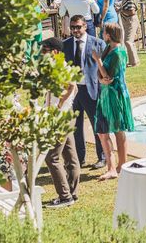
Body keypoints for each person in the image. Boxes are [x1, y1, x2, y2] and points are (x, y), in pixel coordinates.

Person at [91, 23, 135, 180]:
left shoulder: (118, 52)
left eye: (104, 32)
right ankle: (113, 166)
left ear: (109, 35)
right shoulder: (108, 48)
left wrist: (97, 60)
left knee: (118, 129)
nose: (102, 34)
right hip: (105, 93)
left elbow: (109, 77)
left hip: (115, 94)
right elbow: (101, 76)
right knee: (102, 130)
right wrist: (100, 79)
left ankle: (122, 165)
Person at [63, 15, 107, 168]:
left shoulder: (97, 43)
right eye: (73, 27)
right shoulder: (65, 45)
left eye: (78, 27)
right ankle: (79, 158)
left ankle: (102, 157)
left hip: (91, 89)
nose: (75, 30)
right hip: (73, 90)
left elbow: (105, 67)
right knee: (75, 126)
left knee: (97, 124)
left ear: (85, 26)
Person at [41, 37, 80, 208]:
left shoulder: (59, 66)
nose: (42, 55)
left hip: (61, 118)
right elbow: (75, 88)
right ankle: (72, 192)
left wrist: (60, 104)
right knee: (70, 156)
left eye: (44, 51)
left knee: (52, 157)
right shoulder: (61, 66)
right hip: (67, 116)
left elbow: (72, 86)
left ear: (54, 52)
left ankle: (65, 197)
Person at [119, 0, 140, 67]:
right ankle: (134, 60)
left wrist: (121, 10)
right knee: (129, 41)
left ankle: (134, 62)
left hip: (130, 20)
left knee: (128, 41)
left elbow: (132, 12)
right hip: (128, 20)